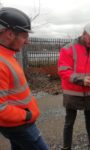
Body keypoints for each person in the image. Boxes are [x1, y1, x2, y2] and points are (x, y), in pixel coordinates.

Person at [0, 7, 49, 150]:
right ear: (9, 34)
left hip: (18, 124)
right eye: (24, 36)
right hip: (20, 126)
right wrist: (27, 115)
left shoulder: (7, 56)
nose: (26, 41)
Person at [58, 22, 90, 150]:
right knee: (69, 121)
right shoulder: (68, 48)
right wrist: (80, 79)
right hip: (72, 92)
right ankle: (66, 147)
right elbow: (63, 70)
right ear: (84, 34)